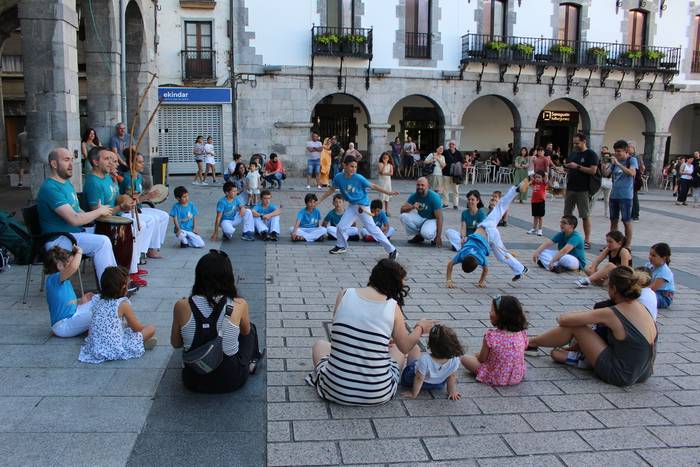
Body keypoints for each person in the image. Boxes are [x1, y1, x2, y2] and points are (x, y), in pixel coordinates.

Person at [306, 258, 435, 405]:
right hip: (378, 393)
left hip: (334, 390)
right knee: (400, 351)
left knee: (320, 345)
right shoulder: (393, 307)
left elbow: (340, 332)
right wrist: (421, 327)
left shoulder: (344, 294)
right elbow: (405, 346)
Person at [528, 266, 657, 387]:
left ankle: (530, 343)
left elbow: (563, 320)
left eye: (608, 286)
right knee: (580, 328)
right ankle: (576, 356)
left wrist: (586, 318)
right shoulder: (642, 307)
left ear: (614, 289)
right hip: (643, 372)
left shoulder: (613, 312)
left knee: (576, 326)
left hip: (621, 374)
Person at [171, 250, 264, 393]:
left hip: (194, 381)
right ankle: (252, 362)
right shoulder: (239, 303)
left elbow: (176, 344)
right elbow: (245, 332)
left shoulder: (181, 305)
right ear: (228, 277)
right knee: (250, 328)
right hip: (231, 380)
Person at [37, 148, 117, 282]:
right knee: (103, 242)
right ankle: (110, 287)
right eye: (66, 160)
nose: (71, 164)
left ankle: (119, 276)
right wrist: (98, 211)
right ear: (54, 164)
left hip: (72, 234)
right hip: (58, 239)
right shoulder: (50, 188)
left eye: (72, 160)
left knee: (112, 232)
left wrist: (94, 213)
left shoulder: (66, 183)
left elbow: (77, 211)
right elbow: (73, 219)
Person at [84, 147, 150, 287]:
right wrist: (121, 207)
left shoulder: (108, 177)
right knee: (134, 228)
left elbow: (116, 197)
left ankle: (131, 268)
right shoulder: (93, 182)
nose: (112, 162)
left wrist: (125, 199)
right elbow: (98, 214)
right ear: (95, 162)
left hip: (114, 217)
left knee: (142, 225)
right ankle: (126, 272)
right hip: (101, 224)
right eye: (107, 159)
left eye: (112, 159)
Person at [445, 179, 529, 288]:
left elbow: (485, 270)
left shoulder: (480, 259)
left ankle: (521, 269)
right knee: (500, 207)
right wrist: (449, 280)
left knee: (502, 256)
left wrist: (480, 282)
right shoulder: (462, 255)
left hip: (490, 234)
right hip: (485, 225)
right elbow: (450, 265)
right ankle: (515, 189)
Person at [318, 155, 399, 257]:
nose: (354, 169)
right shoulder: (338, 177)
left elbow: (373, 186)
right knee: (341, 227)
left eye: (355, 167)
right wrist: (319, 200)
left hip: (362, 207)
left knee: (372, 229)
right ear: (344, 165)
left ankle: (392, 250)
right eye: (351, 166)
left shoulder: (358, 178)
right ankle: (341, 246)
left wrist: (389, 192)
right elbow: (332, 190)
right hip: (352, 206)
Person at [79, 266, 157, 363]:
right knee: (151, 329)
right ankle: (140, 343)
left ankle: (139, 342)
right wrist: (143, 329)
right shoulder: (122, 304)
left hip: (94, 347)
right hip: (115, 348)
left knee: (125, 326)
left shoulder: (97, 299)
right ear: (124, 288)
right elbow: (137, 328)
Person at [461, 295, 528, 386]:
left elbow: (482, 359)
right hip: (516, 375)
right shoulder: (521, 334)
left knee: (465, 358)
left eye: (492, 310)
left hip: (496, 376)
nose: (490, 312)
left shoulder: (491, 336)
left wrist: (477, 356)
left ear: (501, 315)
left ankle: (486, 373)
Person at [119, 152, 170, 259]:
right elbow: (131, 201)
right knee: (154, 219)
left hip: (139, 208)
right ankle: (150, 249)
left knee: (164, 215)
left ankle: (154, 245)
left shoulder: (139, 177)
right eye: (140, 162)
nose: (143, 164)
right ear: (131, 163)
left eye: (143, 162)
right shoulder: (129, 178)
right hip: (129, 211)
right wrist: (147, 197)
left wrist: (150, 196)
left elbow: (139, 197)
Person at [401, 324, 463, 400]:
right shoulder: (455, 359)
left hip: (411, 380)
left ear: (430, 345)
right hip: (437, 384)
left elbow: (419, 378)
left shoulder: (425, 359)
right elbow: (451, 376)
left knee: (415, 349)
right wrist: (452, 392)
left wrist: (414, 394)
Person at [44, 246, 95, 337]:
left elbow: (66, 302)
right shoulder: (54, 278)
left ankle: (95, 327)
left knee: (98, 301)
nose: (73, 265)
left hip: (73, 315)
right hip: (63, 325)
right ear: (60, 265)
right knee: (99, 313)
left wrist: (80, 301)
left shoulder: (62, 281)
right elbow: (73, 268)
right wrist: (79, 252)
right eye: (70, 262)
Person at [564, 133, 599, 249]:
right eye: (574, 143)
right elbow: (570, 168)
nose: (575, 145)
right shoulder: (573, 154)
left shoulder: (591, 154)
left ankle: (587, 240)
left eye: (577, 143)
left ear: (584, 141)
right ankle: (567, 236)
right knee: (567, 214)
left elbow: (593, 171)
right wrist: (564, 169)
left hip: (583, 189)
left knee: (585, 215)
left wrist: (577, 166)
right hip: (571, 187)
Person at [604, 140, 637, 248]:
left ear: (626, 151)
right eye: (615, 151)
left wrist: (618, 164)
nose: (617, 154)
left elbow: (631, 173)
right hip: (614, 195)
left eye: (619, 151)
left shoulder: (632, 160)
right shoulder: (615, 162)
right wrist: (606, 165)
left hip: (626, 196)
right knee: (613, 221)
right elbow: (606, 174)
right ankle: (613, 244)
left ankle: (627, 245)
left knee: (626, 221)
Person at [399, 177, 443, 247]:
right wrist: (412, 207)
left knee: (427, 234)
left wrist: (438, 236)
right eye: (418, 185)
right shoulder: (414, 195)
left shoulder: (434, 197)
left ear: (428, 186)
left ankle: (432, 235)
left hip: (432, 219)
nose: (420, 187)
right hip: (421, 217)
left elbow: (440, 218)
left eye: (422, 185)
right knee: (403, 216)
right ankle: (419, 235)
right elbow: (402, 210)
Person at [646, 242, 675, 309]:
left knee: (642, 297)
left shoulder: (664, 271)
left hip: (663, 296)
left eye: (653, 255)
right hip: (651, 292)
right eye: (650, 254)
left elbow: (653, 288)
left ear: (663, 257)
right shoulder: (648, 265)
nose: (650, 257)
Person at [443, 140, 463, 209]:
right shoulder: (445, 152)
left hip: (455, 175)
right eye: (450, 144)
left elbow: (461, 163)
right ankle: (445, 203)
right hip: (446, 173)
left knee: (456, 190)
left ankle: (455, 204)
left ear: (455, 145)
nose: (451, 145)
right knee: (445, 189)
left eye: (453, 144)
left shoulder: (458, 153)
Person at [527, 171, 547, 236]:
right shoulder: (534, 183)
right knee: (535, 216)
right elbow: (530, 176)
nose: (537, 178)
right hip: (534, 202)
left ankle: (540, 229)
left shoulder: (543, 183)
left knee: (540, 217)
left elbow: (546, 177)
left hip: (541, 202)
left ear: (542, 178)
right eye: (536, 177)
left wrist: (546, 173)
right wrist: (531, 173)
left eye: (539, 177)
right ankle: (534, 228)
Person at [628, 144, 644, 221]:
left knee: (634, 197)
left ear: (633, 148)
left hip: (635, 179)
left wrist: (638, 173)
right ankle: (631, 213)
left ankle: (635, 214)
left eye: (629, 147)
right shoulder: (628, 157)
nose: (628, 149)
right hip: (630, 179)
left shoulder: (636, 157)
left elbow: (642, 167)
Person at [377, 152, 394, 216]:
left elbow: (391, 173)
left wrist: (385, 173)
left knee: (387, 197)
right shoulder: (380, 164)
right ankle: (380, 211)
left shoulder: (390, 165)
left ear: (389, 158)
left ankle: (386, 211)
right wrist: (384, 164)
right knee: (382, 197)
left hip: (388, 182)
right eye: (384, 158)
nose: (385, 159)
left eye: (386, 158)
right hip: (382, 182)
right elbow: (381, 172)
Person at [598, 146, 613, 218]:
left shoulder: (612, 164)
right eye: (605, 156)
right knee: (594, 196)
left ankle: (606, 213)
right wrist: (602, 166)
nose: (606, 158)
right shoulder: (600, 163)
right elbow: (602, 173)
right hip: (601, 181)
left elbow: (607, 174)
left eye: (608, 157)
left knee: (607, 199)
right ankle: (590, 210)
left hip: (608, 181)